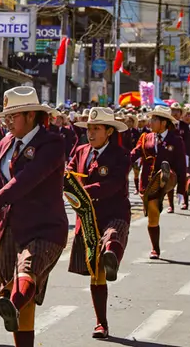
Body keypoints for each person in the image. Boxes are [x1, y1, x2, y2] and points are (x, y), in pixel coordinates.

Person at [0, 87, 67, 347]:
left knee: (26, 276)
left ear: (31, 115)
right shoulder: (6, 141)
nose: (7, 121)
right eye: (6, 116)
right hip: (9, 228)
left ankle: (11, 302)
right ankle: (12, 305)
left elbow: (28, 178)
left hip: (43, 227)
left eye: (13, 115)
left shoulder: (51, 143)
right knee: (21, 306)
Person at [67, 107, 131, 339]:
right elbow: (69, 174)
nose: (91, 133)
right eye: (89, 129)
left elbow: (113, 184)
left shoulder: (121, 155)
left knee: (112, 237)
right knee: (96, 272)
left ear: (109, 132)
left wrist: (83, 190)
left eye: (97, 129)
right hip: (87, 217)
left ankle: (112, 257)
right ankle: (101, 323)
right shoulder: (80, 151)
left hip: (114, 211)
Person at [130, 106, 184, 259]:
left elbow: (181, 165)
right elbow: (134, 154)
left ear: (164, 123)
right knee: (153, 213)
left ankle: (164, 178)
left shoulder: (176, 140)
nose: (150, 122)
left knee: (167, 175)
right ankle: (155, 247)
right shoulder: (146, 137)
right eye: (151, 118)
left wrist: (181, 190)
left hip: (168, 180)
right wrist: (120, 164)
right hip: (147, 182)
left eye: (154, 119)